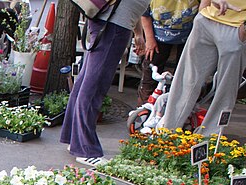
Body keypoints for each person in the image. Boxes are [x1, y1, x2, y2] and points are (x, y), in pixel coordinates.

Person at [61, 0, 151, 166]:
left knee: (86, 81)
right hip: (113, 23)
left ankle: (74, 138)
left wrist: (137, 33)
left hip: (113, 20)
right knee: (94, 85)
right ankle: (85, 148)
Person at [157, 0, 246, 135]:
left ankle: (209, 139)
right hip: (207, 18)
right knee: (186, 80)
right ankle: (166, 135)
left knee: (225, 90)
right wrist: (203, 8)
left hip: (236, 27)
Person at [135, 0, 200, 105]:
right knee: (151, 72)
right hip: (157, 35)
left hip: (188, 37)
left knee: (185, 75)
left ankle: (178, 109)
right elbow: (144, 14)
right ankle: (144, 108)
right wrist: (149, 39)